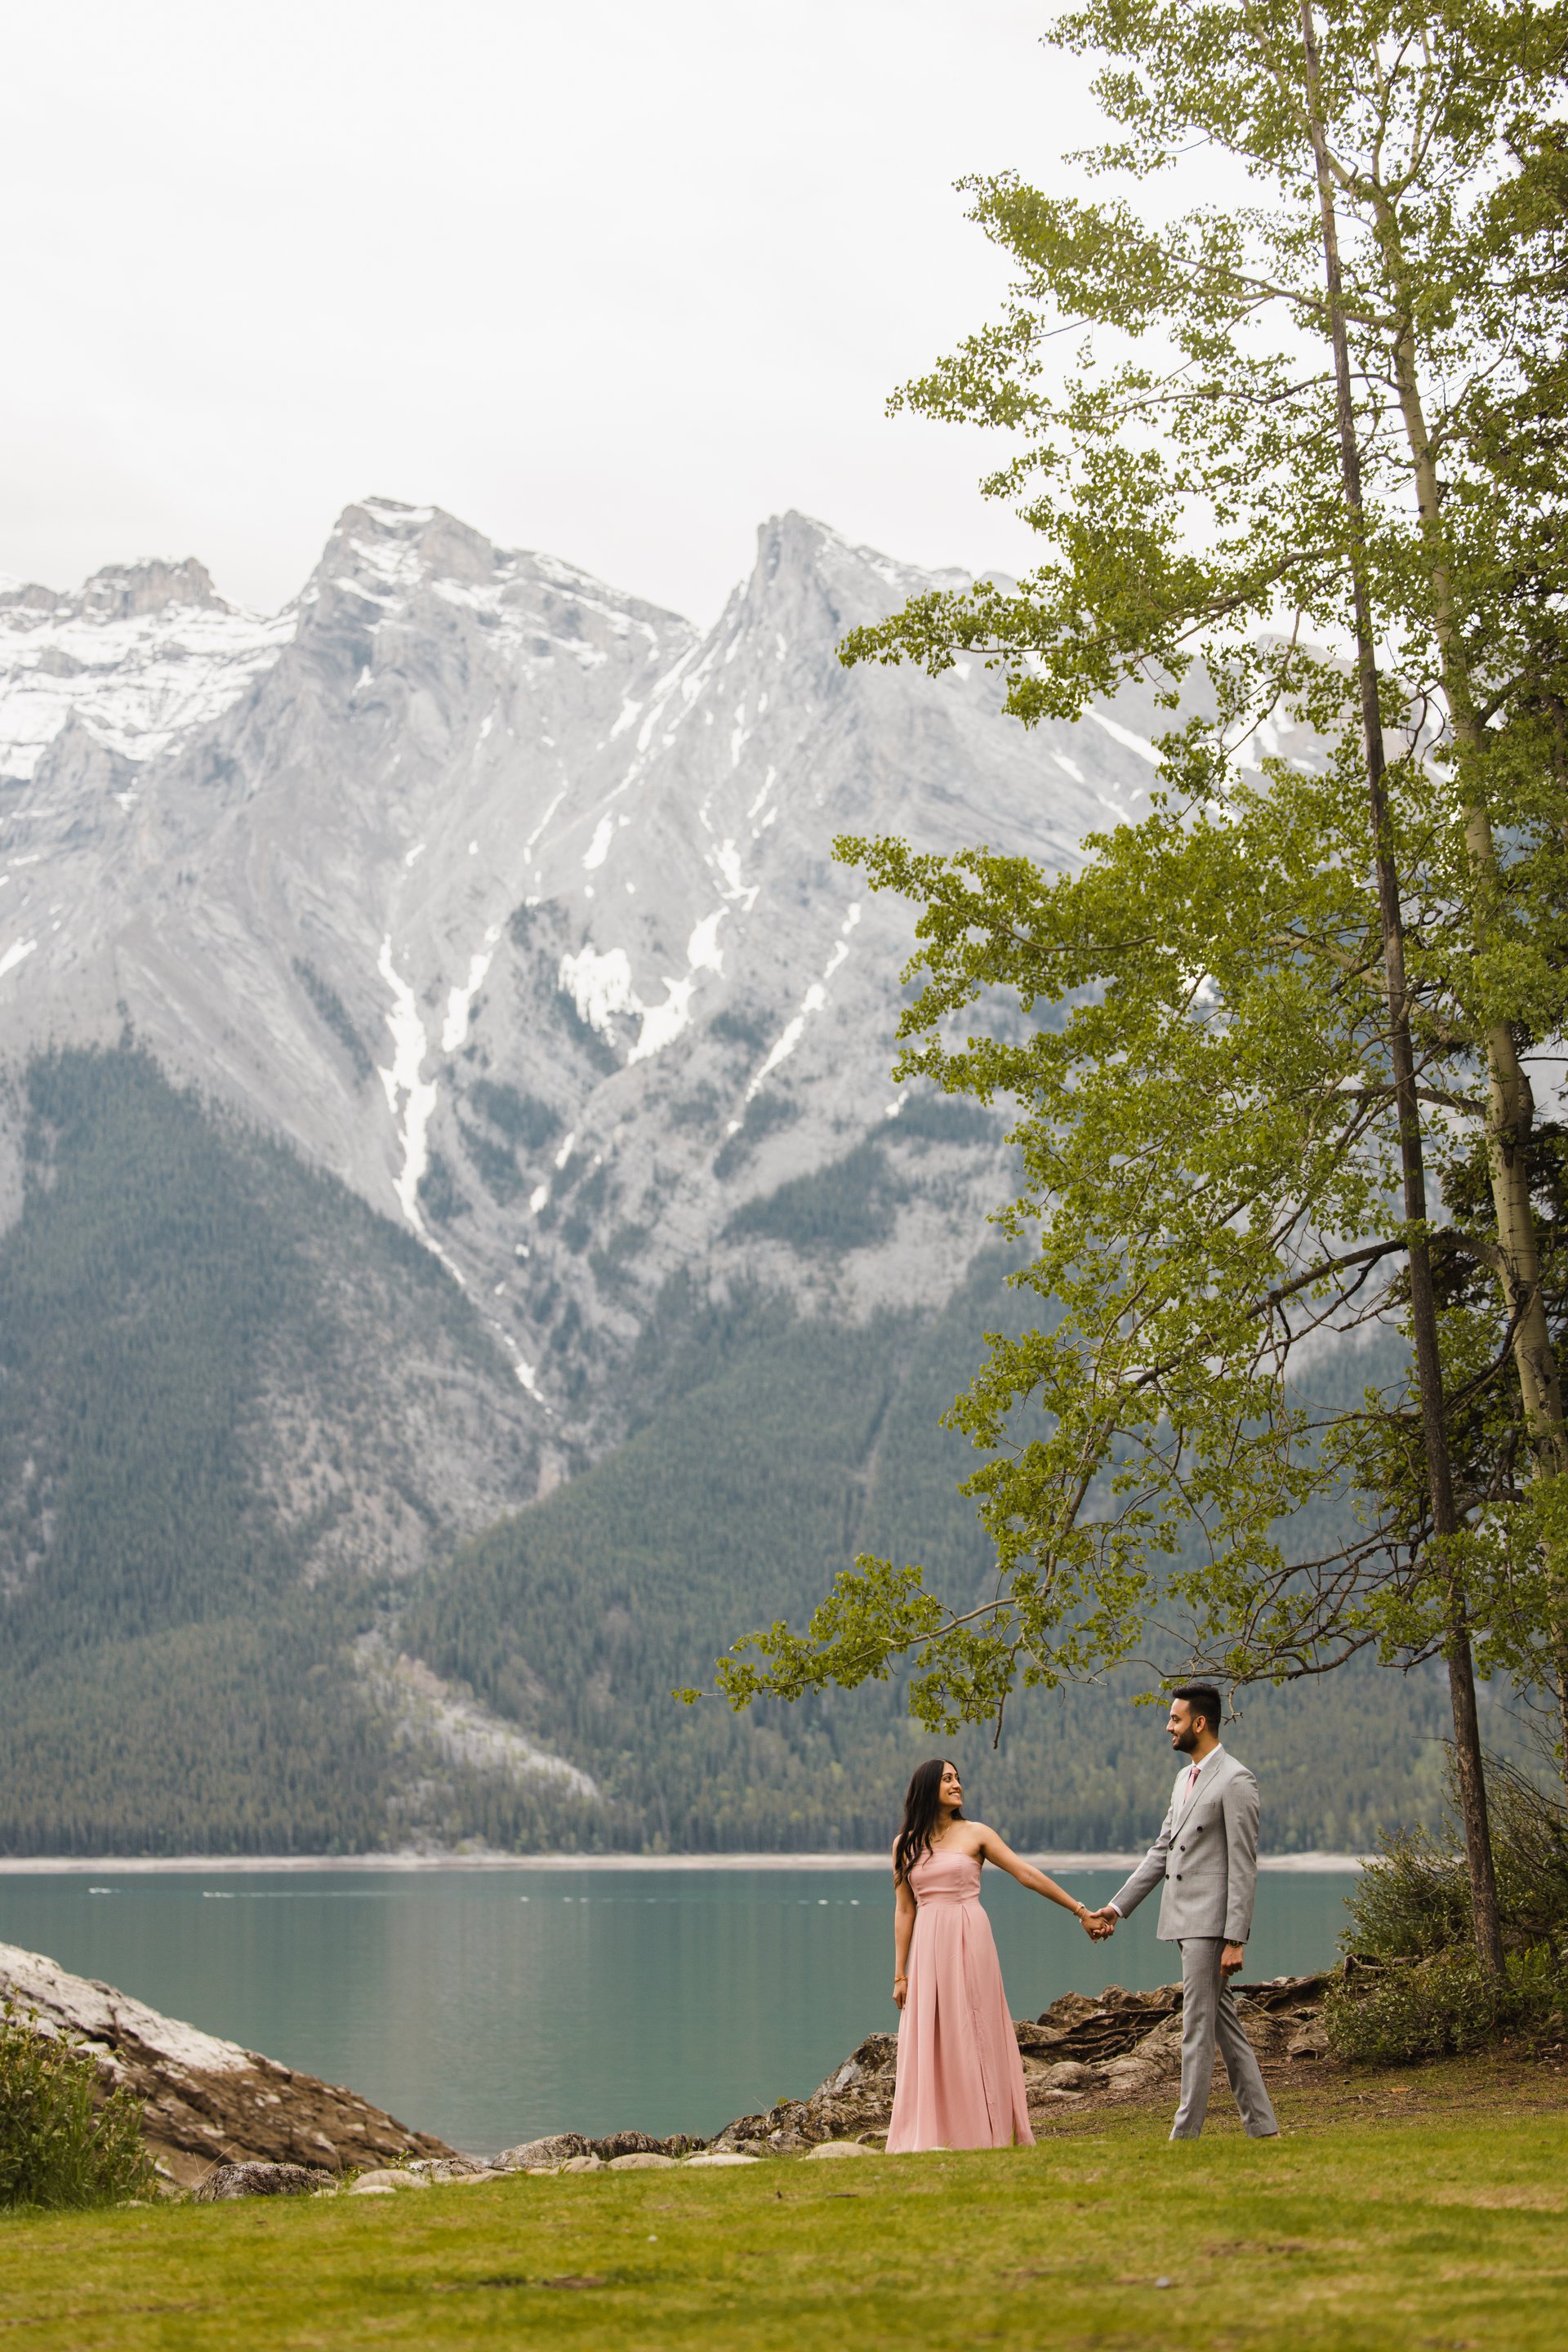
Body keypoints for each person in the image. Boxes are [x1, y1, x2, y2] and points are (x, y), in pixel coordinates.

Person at [885, 1757, 1111, 2154]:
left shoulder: (976, 1834)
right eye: (947, 1779)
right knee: (932, 2037)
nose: (957, 1785)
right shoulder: (904, 1845)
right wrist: (900, 1975)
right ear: (925, 1789)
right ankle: (933, 2135)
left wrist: (1080, 1912)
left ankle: (984, 2132)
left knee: (974, 2030)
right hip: (927, 1947)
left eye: (957, 1778)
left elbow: (1026, 1874)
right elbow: (905, 1910)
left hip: (970, 1939)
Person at [1085, 1683, 1279, 2141]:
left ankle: (1184, 2137)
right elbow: (1162, 1852)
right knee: (1223, 2028)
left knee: (1195, 2028)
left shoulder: (1236, 1780)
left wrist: (1236, 1938)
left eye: (1174, 1719)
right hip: (1184, 1920)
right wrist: (1116, 1907)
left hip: (1210, 1926)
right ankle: (1264, 2129)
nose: (1167, 1726)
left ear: (1199, 1723)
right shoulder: (1183, 1779)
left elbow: (1243, 1865)